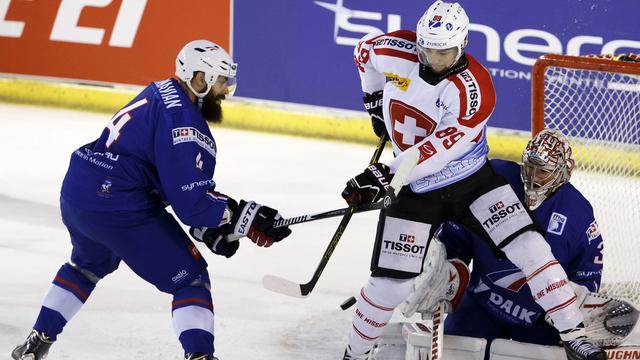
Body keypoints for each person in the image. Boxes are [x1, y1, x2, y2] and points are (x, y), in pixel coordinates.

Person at [340, 1, 605, 359]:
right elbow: (363, 54)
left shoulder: (474, 89)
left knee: (531, 247)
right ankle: (354, 354)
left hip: (469, 181)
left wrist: (385, 174)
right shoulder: (392, 49)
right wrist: (372, 100)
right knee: (389, 285)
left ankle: (573, 333)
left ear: (462, 43)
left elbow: (436, 151)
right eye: (427, 48)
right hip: (415, 191)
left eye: (444, 51)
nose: (434, 59)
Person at [11, 40, 291, 360]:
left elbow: (172, 184)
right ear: (199, 79)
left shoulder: (162, 90)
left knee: (86, 265)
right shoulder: (186, 124)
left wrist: (210, 229)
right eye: (221, 81)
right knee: (191, 281)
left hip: (80, 189)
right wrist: (245, 215)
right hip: (118, 201)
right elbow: (191, 204)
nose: (227, 90)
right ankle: (199, 356)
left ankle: (35, 345)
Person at [440, 129, 604, 359]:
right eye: (530, 168)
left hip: (538, 323)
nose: (533, 177)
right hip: (480, 303)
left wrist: (575, 307)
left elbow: (588, 270)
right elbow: (459, 231)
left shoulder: (578, 212)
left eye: (543, 172)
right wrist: (448, 263)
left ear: (564, 172)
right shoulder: (496, 178)